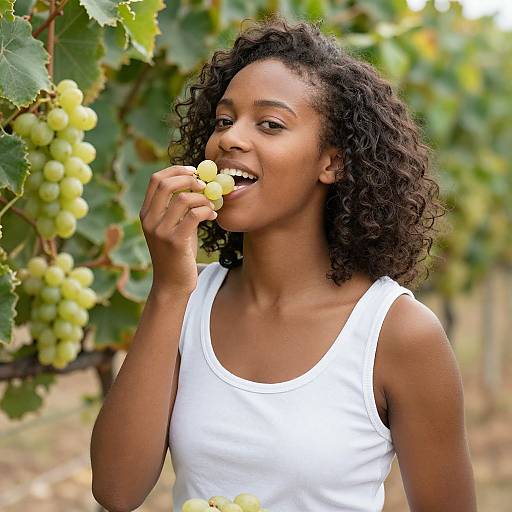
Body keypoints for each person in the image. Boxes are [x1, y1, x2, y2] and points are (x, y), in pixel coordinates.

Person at [90, 15, 477, 512]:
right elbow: (116, 491)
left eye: (270, 124)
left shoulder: (398, 332)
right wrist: (168, 288)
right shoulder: (187, 301)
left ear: (331, 162)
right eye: (224, 120)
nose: (230, 139)